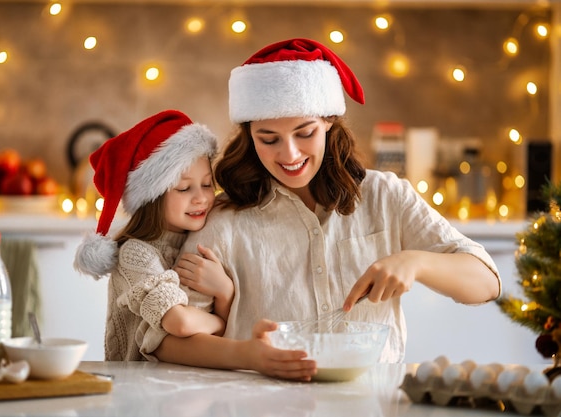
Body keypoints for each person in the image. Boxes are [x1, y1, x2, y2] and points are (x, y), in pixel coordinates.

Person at [154, 38, 502, 381]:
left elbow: (486, 283)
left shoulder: (385, 196)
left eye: (304, 132)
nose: (289, 154)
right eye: (269, 138)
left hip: (373, 404)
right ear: (249, 135)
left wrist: (416, 261)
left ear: (329, 122)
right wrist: (249, 354)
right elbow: (165, 342)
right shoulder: (222, 220)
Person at [73, 109, 234, 361]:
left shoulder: (201, 237)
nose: (201, 197)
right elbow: (178, 322)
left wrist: (224, 291)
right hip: (137, 387)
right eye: (183, 188)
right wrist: (221, 322)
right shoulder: (135, 254)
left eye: (206, 184)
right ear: (152, 198)